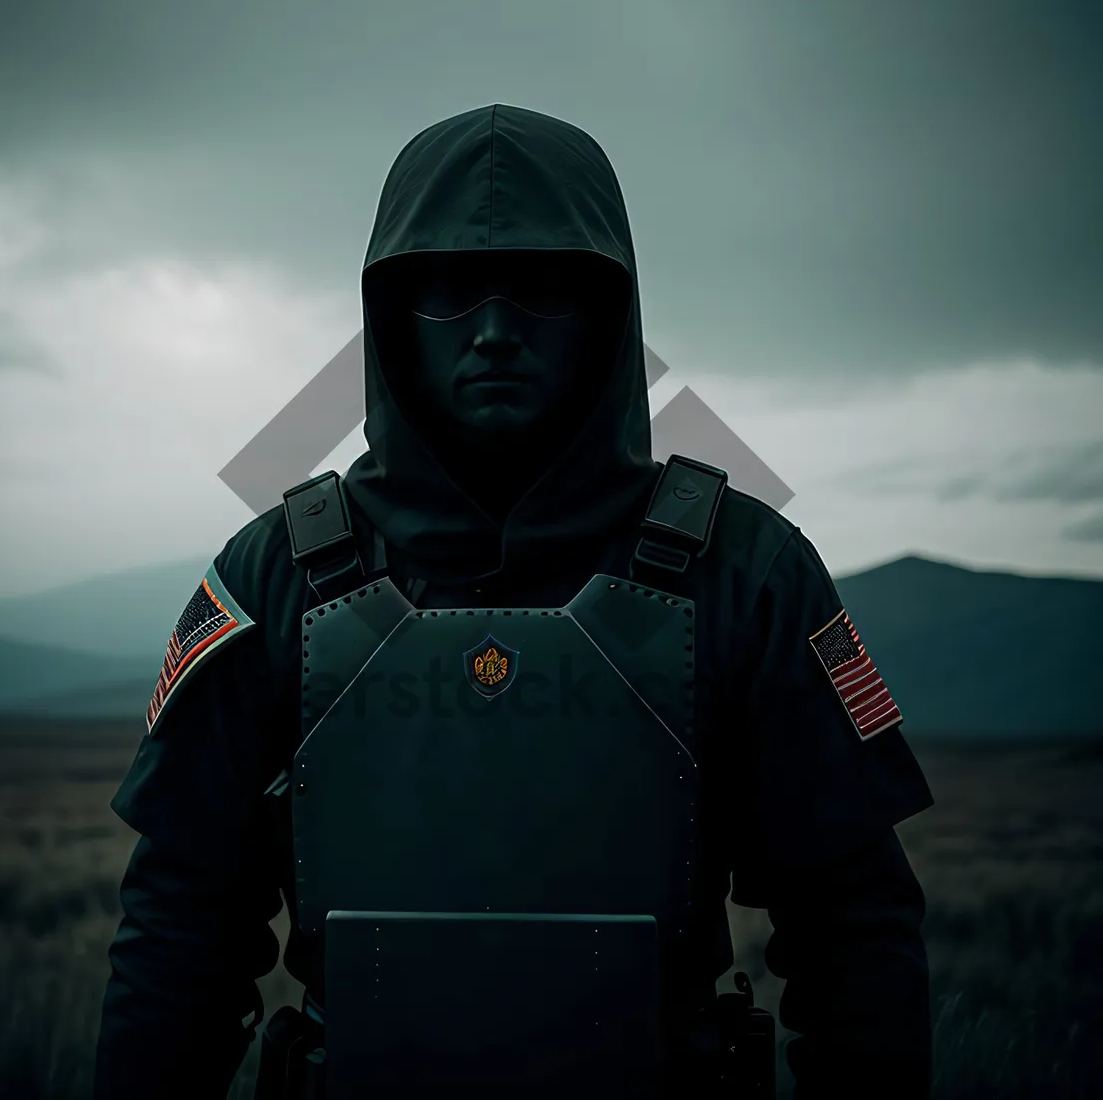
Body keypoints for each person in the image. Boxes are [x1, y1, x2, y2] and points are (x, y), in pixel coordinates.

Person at [94, 103, 935, 1099]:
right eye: (448, 292)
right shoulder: (271, 573)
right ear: (391, 314)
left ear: (609, 309)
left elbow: (854, 930)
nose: (494, 333)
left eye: (542, 291)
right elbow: (180, 926)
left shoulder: (749, 570)